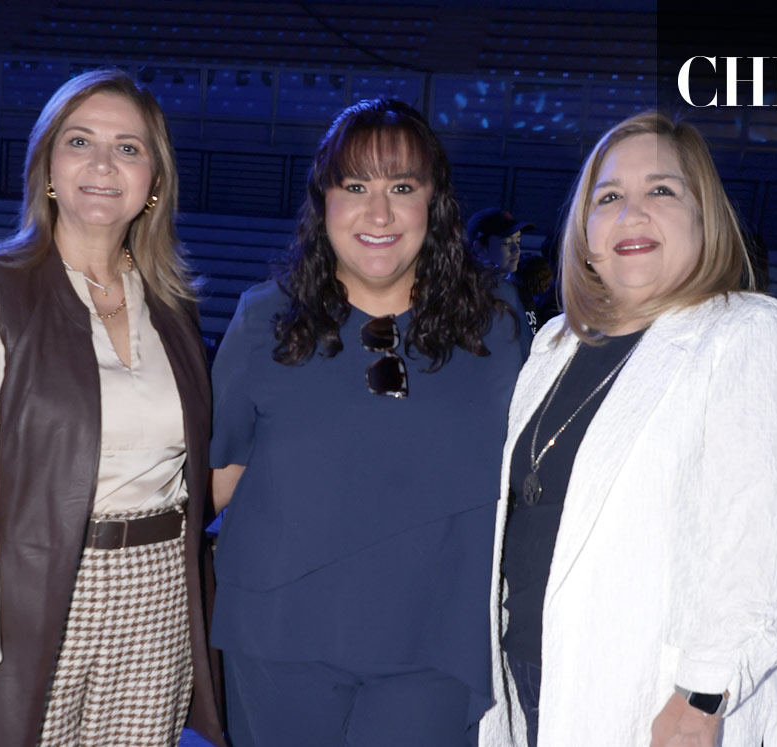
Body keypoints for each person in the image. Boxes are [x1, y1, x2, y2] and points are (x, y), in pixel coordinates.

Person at [0, 69, 225, 747]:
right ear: (47, 168)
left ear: (154, 181)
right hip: (25, 597)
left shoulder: (171, 307)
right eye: (80, 141)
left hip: (157, 596)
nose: (103, 163)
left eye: (128, 148)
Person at [479, 111, 777, 747]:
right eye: (609, 196)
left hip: (652, 695)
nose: (632, 212)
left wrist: (703, 697)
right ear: (585, 233)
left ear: (704, 217)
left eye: (661, 190)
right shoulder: (556, 343)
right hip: (530, 672)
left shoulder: (754, 332)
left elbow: (760, 546)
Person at [210, 98, 529, 746]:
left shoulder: (494, 324)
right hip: (278, 640)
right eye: (355, 187)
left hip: (434, 645)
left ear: (434, 202)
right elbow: (220, 480)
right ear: (323, 200)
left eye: (401, 188)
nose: (378, 214)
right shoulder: (263, 320)